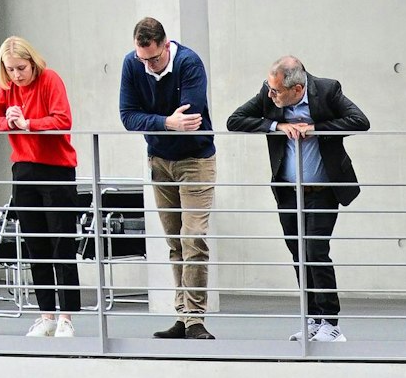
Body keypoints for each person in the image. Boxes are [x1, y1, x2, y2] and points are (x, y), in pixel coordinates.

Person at [225, 55, 369, 341]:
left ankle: (331, 323)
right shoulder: (269, 95)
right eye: (270, 87)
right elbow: (235, 120)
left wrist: (314, 129)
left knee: (316, 252)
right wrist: (277, 127)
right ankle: (313, 319)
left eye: (276, 91)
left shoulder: (328, 91)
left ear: (298, 89)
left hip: (323, 190)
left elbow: (360, 121)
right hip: (288, 192)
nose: (270, 94)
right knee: (299, 255)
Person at [120, 17, 215, 339]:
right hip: (159, 159)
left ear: (166, 44)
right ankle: (184, 316)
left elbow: (193, 113)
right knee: (175, 242)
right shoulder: (132, 64)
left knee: (194, 238)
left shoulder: (188, 62)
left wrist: (163, 122)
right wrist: (165, 122)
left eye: (154, 57)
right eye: (142, 57)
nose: (147, 63)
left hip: (195, 159)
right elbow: (127, 116)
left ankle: (195, 318)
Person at [0, 36, 80, 337]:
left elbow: (63, 120)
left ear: (32, 62)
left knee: (61, 244)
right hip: (23, 170)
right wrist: (9, 122)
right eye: (10, 69)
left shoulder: (50, 79)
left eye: (21, 68)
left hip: (57, 170)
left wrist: (30, 124)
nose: (16, 75)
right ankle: (46, 314)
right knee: (35, 245)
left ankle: (66, 316)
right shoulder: (6, 86)